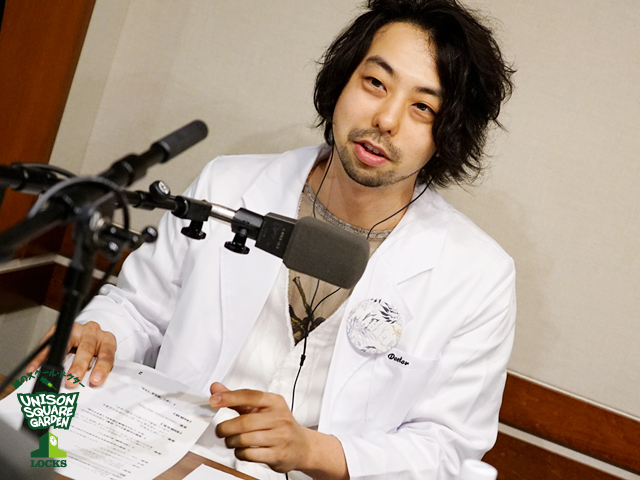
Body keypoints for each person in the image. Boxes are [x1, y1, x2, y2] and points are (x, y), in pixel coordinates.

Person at [28, 1, 516, 479]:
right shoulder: (227, 186)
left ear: (449, 133)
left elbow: (449, 453)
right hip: (160, 461)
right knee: (29, 451)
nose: (386, 119)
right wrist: (103, 332)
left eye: (423, 107)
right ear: (342, 80)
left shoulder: (477, 275)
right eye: (375, 83)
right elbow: (138, 309)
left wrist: (314, 451)